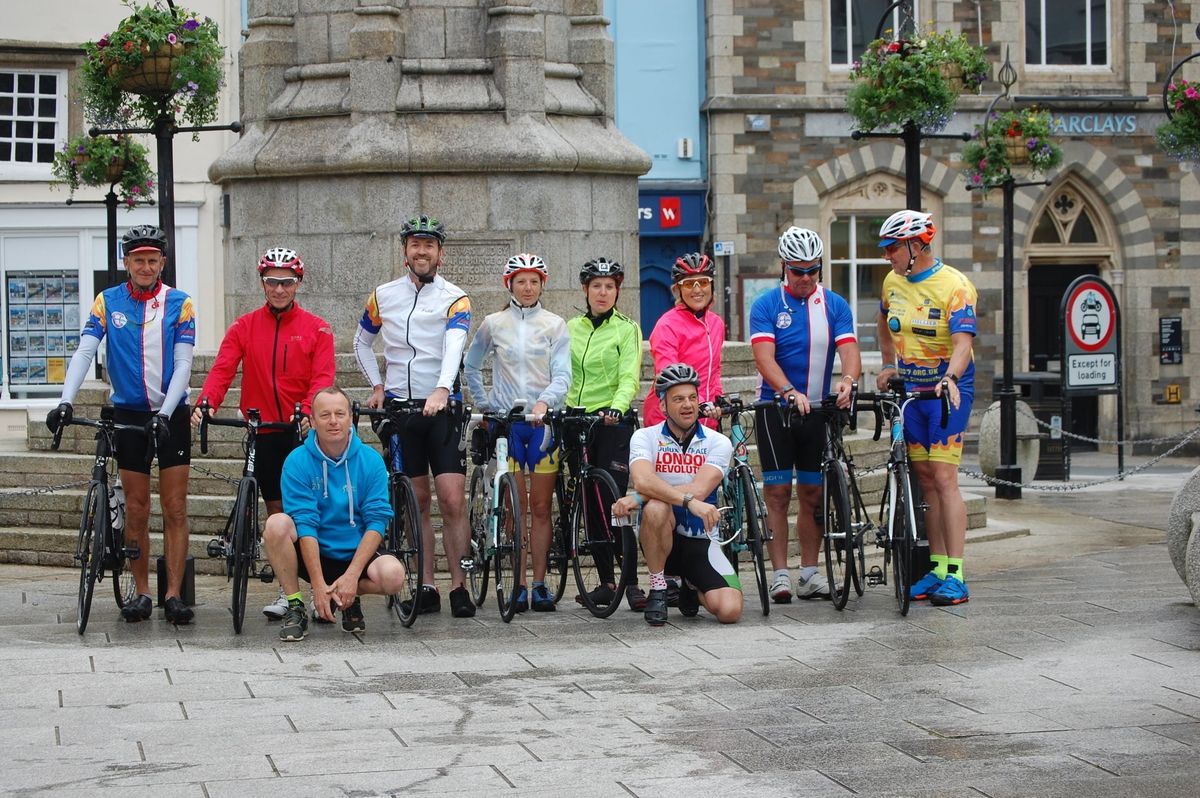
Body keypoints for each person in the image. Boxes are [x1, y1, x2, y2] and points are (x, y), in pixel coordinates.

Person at [46, 225, 196, 624]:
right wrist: (65, 401)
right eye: (138, 260)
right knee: (137, 509)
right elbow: (84, 351)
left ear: (162, 262)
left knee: (175, 507)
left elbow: (183, 364)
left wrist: (166, 413)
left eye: (152, 260)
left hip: (171, 417)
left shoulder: (180, 303)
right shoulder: (106, 301)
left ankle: (175, 594)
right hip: (128, 415)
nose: (146, 267)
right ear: (125, 262)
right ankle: (143, 593)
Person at [189, 247, 336, 620]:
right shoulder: (244, 326)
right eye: (272, 282)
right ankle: (291, 593)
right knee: (275, 511)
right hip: (263, 429)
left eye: (286, 282)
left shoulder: (317, 328)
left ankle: (317, 586)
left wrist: (308, 408)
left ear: (298, 283)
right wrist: (207, 403)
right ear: (263, 283)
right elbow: (223, 370)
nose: (279, 289)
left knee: (304, 513)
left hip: (300, 430)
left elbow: (322, 378)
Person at [352, 214, 475, 618]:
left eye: (429, 245)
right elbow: (361, 342)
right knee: (416, 501)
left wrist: (442, 388)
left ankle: (458, 585)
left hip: (441, 410)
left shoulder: (455, 297)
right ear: (405, 250)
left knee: (453, 499)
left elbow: (455, 345)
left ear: (440, 253)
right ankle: (426, 584)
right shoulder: (383, 295)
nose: (421, 251)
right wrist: (376, 386)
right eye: (414, 244)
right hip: (402, 409)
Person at [749, 226, 861, 603]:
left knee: (813, 493)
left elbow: (849, 350)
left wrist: (847, 380)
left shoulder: (834, 304)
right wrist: (788, 390)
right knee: (778, 494)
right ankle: (780, 574)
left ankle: (810, 574)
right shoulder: (766, 305)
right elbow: (764, 358)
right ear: (784, 267)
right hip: (776, 409)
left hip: (817, 409)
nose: (806, 278)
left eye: (813, 270)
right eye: (798, 270)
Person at [875, 209, 977, 606]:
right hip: (912, 388)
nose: (887, 255)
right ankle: (936, 568)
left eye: (892, 248)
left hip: (948, 389)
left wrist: (949, 377)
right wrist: (887, 363)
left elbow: (963, 344)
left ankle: (957, 573)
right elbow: (883, 323)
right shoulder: (892, 282)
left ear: (916, 246)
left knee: (944, 477)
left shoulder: (955, 286)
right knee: (925, 478)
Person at [463, 253, 571, 613]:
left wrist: (545, 402)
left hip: (541, 426)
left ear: (543, 284)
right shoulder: (494, 323)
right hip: (508, 426)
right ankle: (519, 584)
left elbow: (562, 374)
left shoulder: (555, 324)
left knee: (540, 508)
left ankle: (539, 584)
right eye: (521, 281)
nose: (528, 288)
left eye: (534, 281)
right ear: (508, 284)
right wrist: (486, 403)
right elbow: (472, 365)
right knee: (515, 509)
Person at [262, 386, 402, 641]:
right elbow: (305, 523)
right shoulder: (297, 461)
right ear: (312, 421)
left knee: (394, 576)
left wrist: (350, 577)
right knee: (276, 525)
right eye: (325, 415)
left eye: (340, 413)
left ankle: (350, 596)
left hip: (355, 552)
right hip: (314, 551)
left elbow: (377, 521)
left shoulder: (370, 460)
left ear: (351, 418)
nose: (334, 421)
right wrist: (317, 585)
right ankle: (296, 606)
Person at [614, 364, 741, 626]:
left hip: (701, 540)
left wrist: (638, 497)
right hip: (660, 533)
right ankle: (659, 587)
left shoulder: (718, 442)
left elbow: (700, 489)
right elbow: (642, 479)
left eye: (693, 398)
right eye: (679, 399)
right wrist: (673, 499)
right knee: (658, 507)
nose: (688, 405)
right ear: (662, 406)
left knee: (729, 611)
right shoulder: (644, 437)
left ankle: (691, 586)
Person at [566, 257, 643, 608]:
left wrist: (618, 405)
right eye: (596, 285)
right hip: (576, 420)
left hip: (612, 420)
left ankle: (634, 583)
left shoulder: (627, 328)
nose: (602, 292)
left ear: (617, 291)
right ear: (585, 289)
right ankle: (606, 582)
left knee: (615, 503)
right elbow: (559, 372)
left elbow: (629, 374)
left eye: (609, 286)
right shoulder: (570, 328)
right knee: (588, 502)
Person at [641, 252, 725, 431]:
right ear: (678, 290)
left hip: (705, 418)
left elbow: (714, 370)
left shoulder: (716, 323)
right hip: (670, 418)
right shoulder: (667, 324)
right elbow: (670, 375)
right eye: (688, 284)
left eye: (703, 282)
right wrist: (701, 403)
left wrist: (718, 398)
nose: (696, 290)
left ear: (711, 285)